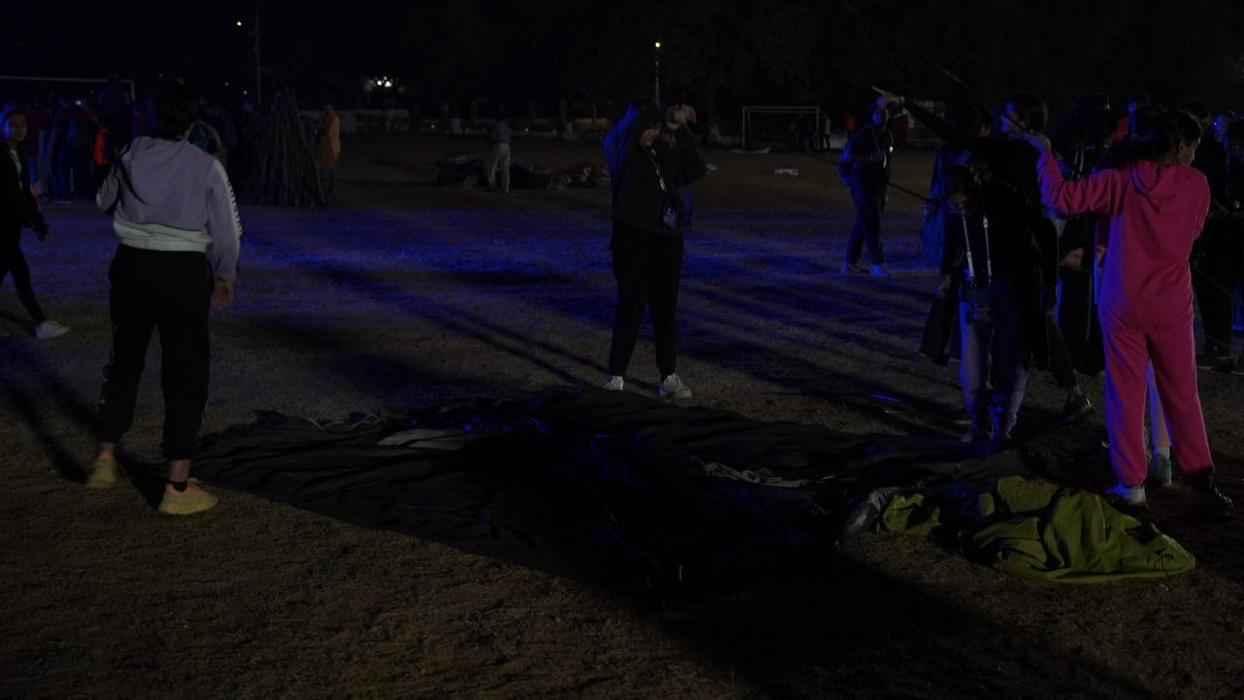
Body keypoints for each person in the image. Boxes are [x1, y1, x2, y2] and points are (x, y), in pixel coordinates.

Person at [1029, 109, 1233, 517]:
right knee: (1182, 392)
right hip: (1171, 303)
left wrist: (1044, 156)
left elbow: (1059, 198)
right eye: (1193, 146)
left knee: (1126, 393)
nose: (1194, 154)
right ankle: (1200, 479)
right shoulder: (1197, 185)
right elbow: (1193, 232)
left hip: (1122, 299)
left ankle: (1131, 484)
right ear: (1179, 146)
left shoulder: (1119, 180)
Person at [85, 83, 244, 516]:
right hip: (182, 271)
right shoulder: (206, 165)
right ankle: (177, 484)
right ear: (192, 122)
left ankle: (105, 457)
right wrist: (225, 274)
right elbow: (227, 229)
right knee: (186, 371)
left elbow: (102, 200)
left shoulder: (131, 152)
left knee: (124, 360)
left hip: (132, 265)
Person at [601, 102, 707, 399]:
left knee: (666, 310)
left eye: (656, 128)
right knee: (630, 306)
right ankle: (616, 375)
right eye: (647, 127)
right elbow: (616, 139)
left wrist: (680, 129)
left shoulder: (666, 151)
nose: (652, 133)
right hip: (632, 239)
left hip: (667, 240)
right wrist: (642, 120)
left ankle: (668, 376)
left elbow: (695, 169)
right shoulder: (625, 154)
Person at [0, 109, 71, 340]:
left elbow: (23, 192)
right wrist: (32, 219)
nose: (19, 128)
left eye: (23, 124)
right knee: (20, 272)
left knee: (13, 270)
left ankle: (41, 323)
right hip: (4, 223)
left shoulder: (18, 151)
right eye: (13, 124)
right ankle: (40, 322)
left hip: (10, 223)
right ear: (2, 125)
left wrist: (36, 219)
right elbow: (11, 195)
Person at [838, 96, 899, 277]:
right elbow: (845, 162)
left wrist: (885, 187)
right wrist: (850, 181)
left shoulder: (887, 136)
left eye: (885, 111)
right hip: (862, 185)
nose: (883, 115)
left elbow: (886, 164)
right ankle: (877, 264)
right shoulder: (862, 135)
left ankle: (849, 263)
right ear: (872, 114)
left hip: (878, 186)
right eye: (879, 112)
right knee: (872, 222)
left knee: (862, 223)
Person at [318, 104, 342, 204]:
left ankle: (327, 190)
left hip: (329, 148)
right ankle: (330, 190)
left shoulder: (329, 119)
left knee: (327, 170)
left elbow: (324, 131)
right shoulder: (335, 119)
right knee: (331, 169)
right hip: (333, 147)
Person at [486, 115, 512, 193]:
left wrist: (490, 146)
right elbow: (510, 137)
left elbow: (492, 137)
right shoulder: (507, 127)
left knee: (492, 167)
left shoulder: (495, 126)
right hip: (507, 146)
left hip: (498, 145)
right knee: (505, 168)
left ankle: (492, 186)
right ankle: (506, 188)